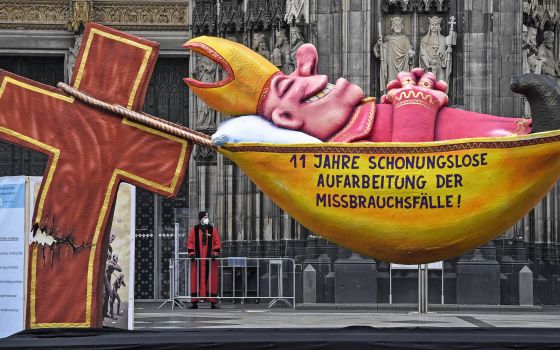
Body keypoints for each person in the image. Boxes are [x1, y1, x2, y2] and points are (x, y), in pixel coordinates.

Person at [183, 36, 551, 144]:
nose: (310, 68)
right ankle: (535, 131)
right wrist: (415, 102)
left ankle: (533, 129)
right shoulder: (347, 142)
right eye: (288, 81)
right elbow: (410, 158)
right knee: (496, 135)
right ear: (284, 117)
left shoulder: (361, 116)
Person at [187, 210, 221, 309]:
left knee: (211, 281)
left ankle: (213, 302)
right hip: (197, 260)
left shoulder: (213, 230)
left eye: (207, 217)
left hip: (210, 261)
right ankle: (194, 302)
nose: (206, 219)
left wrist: (215, 253)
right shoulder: (194, 230)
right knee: (195, 281)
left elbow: (217, 243)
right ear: (201, 218)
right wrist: (192, 253)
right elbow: (190, 242)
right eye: (205, 217)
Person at [373, 16, 415, 91]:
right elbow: (379, 53)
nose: (397, 27)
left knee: (404, 83)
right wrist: (379, 45)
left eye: (399, 25)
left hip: (404, 65)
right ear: (393, 27)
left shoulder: (405, 39)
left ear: (401, 26)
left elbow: (409, 52)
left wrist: (411, 56)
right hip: (392, 65)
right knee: (392, 83)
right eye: (396, 25)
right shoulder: (389, 39)